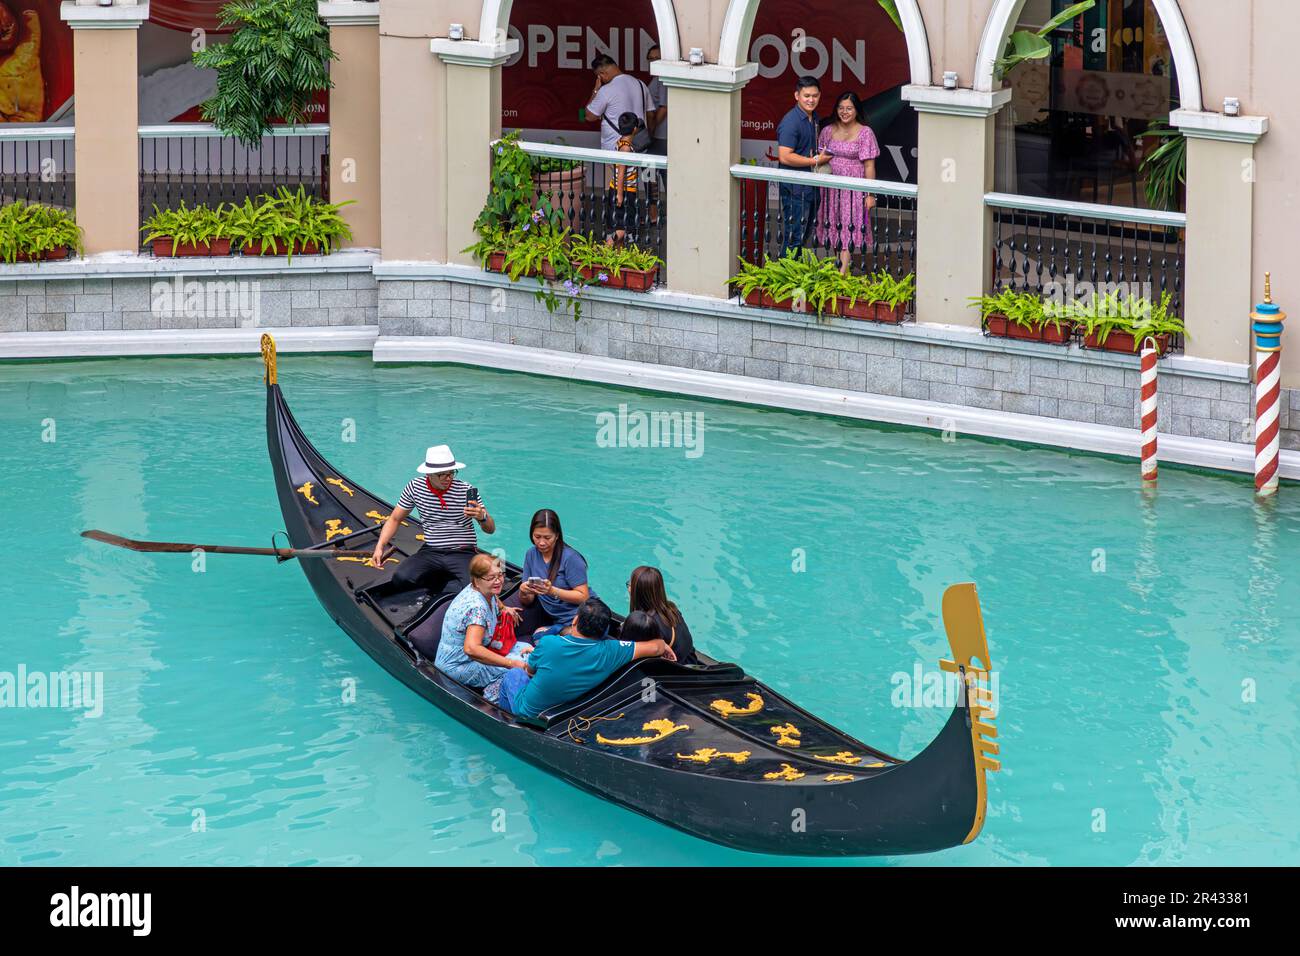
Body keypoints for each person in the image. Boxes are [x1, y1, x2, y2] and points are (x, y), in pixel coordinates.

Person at [498, 600, 675, 719]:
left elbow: (529, 672)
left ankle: (507, 718)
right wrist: (665, 646)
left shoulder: (548, 643)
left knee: (513, 675)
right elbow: (656, 646)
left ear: (575, 621)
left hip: (529, 712)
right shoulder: (612, 651)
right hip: (567, 708)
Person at [373, 445, 494, 595]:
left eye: (451, 473)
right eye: (442, 474)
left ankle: (447, 585)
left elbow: (490, 529)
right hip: (431, 550)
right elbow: (395, 519)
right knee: (401, 579)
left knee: (478, 590)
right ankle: (445, 582)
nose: (448, 478)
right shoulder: (414, 487)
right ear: (429, 474)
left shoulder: (466, 490)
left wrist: (482, 517)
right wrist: (380, 546)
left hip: (462, 551)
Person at [435, 553, 532, 702]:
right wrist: (511, 664)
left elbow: (494, 595)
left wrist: (504, 608)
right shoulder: (477, 609)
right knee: (518, 667)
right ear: (476, 580)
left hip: (474, 653)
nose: (498, 581)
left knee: (525, 649)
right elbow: (471, 649)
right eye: (491, 578)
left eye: (500, 575)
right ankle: (494, 698)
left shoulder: (482, 589)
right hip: (457, 666)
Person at [816, 91, 880, 274]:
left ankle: (841, 277)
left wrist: (870, 194)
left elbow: (869, 166)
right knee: (834, 226)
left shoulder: (865, 133)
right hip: (830, 188)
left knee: (848, 228)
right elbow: (820, 158)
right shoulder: (828, 130)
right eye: (841, 108)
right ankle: (840, 268)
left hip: (853, 189)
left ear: (856, 110)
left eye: (849, 108)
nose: (844, 112)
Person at [514, 509, 597, 634]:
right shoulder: (531, 554)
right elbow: (528, 600)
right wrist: (523, 591)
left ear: (557, 535)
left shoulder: (571, 558)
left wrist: (552, 591)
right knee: (540, 639)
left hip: (585, 617)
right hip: (559, 620)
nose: (541, 542)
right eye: (537, 537)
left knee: (545, 641)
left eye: (547, 537)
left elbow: (583, 597)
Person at [776, 76, 831, 257]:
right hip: (795, 188)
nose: (811, 100)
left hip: (810, 187)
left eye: (815, 96)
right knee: (794, 237)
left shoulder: (814, 117)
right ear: (796, 96)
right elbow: (784, 157)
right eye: (806, 96)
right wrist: (815, 161)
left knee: (804, 235)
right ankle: (783, 280)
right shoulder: (791, 122)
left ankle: (794, 275)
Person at [627, 565, 698, 665]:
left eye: (630, 584)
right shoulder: (672, 608)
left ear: (638, 592)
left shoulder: (644, 623)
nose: (629, 587)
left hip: (672, 672)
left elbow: (628, 653)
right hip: (689, 662)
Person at [584, 54, 654, 154]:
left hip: (614, 150)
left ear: (602, 74)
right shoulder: (641, 84)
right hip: (639, 148)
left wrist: (595, 90)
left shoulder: (606, 90)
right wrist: (649, 135)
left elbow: (589, 116)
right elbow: (651, 114)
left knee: (615, 170)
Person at [604, 113, 642, 245]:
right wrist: (620, 195)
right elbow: (621, 172)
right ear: (635, 129)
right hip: (624, 191)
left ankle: (618, 259)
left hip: (619, 189)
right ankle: (605, 249)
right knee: (623, 229)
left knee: (619, 226)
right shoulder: (625, 148)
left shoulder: (620, 142)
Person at [645, 43, 668, 224]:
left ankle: (654, 214)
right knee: (651, 174)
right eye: (651, 58)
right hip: (658, 136)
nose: (653, 62)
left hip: (660, 136)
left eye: (656, 58)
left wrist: (650, 130)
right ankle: (653, 213)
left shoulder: (662, 78)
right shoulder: (656, 78)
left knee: (651, 173)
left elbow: (664, 108)